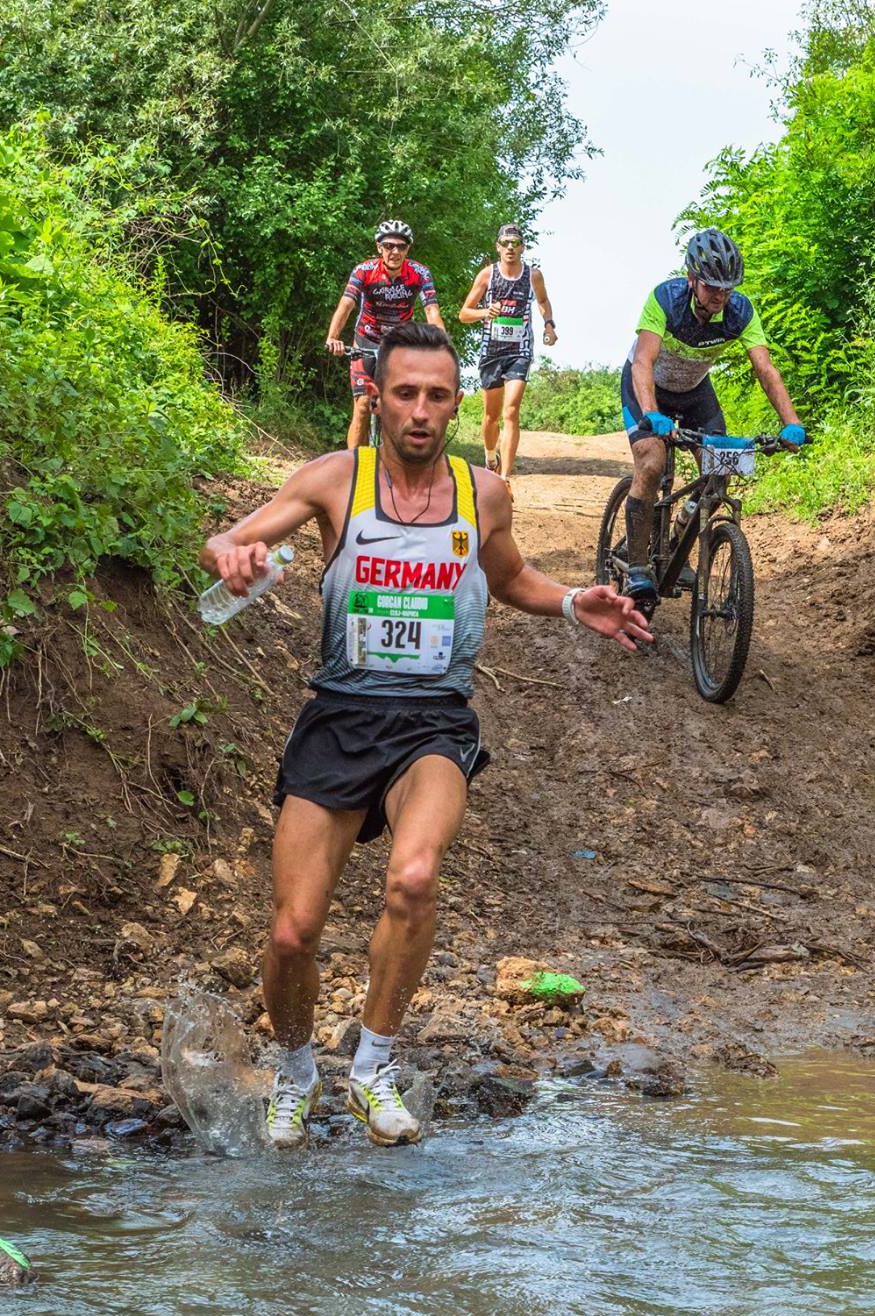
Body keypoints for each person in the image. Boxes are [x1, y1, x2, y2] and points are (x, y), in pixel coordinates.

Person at [201, 321, 652, 1149]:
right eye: (404, 392)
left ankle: (372, 1068)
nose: (420, 409)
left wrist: (568, 602)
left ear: (456, 404)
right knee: (293, 931)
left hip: (433, 723)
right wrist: (231, 557)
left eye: (437, 395)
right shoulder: (336, 479)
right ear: (376, 398)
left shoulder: (484, 493)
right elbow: (227, 540)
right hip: (340, 715)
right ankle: (296, 1073)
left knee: (413, 877)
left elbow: (506, 574)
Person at [618, 228, 805, 614]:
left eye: (727, 289)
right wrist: (652, 414)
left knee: (720, 474)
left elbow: (765, 369)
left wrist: (791, 421)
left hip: (694, 392)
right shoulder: (665, 299)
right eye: (711, 287)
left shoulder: (741, 312)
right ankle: (636, 568)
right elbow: (643, 361)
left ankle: (677, 539)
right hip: (646, 388)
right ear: (692, 279)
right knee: (652, 463)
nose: (720, 296)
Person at [324, 220, 444, 451]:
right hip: (366, 340)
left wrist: (441, 346)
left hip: (398, 346)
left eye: (401, 246)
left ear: (408, 249)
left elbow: (432, 311)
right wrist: (333, 337)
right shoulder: (364, 271)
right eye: (389, 246)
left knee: (399, 407)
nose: (395, 252)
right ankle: (355, 464)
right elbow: (347, 305)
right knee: (362, 406)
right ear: (379, 247)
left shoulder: (420, 273)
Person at [456, 224, 556, 481]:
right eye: (506, 242)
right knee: (491, 416)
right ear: (498, 247)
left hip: (519, 350)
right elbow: (464, 314)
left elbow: (543, 301)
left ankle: (505, 478)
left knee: (511, 411)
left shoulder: (533, 276)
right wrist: (484, 312)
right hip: (491, 350)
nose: (510, 247)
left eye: (515, 242)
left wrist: (549, 324)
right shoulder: (487, 275)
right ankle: (491, 457)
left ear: (523, 247)